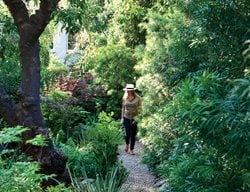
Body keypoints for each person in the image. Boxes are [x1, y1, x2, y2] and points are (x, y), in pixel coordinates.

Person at [121, 84, 142, 155]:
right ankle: (127, 144)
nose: (129, 92)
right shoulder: (124, 97)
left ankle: (131, 149)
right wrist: (122, 118)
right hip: (126, 117)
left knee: (133, 134)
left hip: (134, 118)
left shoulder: (138, 98)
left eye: (130, 90)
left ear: (133, 90)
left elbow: (140, 108)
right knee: (127, 133)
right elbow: (123, 108)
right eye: (127, 90)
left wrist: (140, 116)